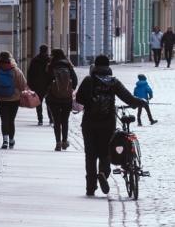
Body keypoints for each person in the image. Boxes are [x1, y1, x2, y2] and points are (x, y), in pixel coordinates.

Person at [75, 54, 146, 196]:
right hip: (108, 123)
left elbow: (79, 99)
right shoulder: (113, 82)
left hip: (89, 123)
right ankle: (103, 173)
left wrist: (91, 102)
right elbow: (128, 98)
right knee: (105, 152)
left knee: (90, 155)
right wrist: (140, 102)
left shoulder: (89, 80)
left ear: (95, 66)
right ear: (108, 67)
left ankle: (90, 187)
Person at [0, 51, 28, 150]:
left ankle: (5, 140)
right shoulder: (15, 70)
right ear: (10, 59)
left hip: (1, 99)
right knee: (11, 120)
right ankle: (12, 140)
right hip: (14, 99)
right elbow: (23, 84)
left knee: (4, 119)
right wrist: (22, 92)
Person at [45, 49, 78, 151]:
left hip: (53, 98)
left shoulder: (51, 66)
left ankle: (58, 143)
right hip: (66, 99)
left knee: (56, 121)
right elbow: (75, 80)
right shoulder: (68, 65)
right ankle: (64, 141)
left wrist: (49, 91)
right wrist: (69, 90)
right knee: (65, 120)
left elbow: (46, 81)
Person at [26, 44, 52, 126]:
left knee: (38, 103)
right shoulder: (50, 60)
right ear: (47, 50)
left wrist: (30, 84)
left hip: (37, 85)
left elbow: (30, 73)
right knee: (49, 103)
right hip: (48, 85)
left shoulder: (35, 60)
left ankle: (40, 119)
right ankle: (51, 119)